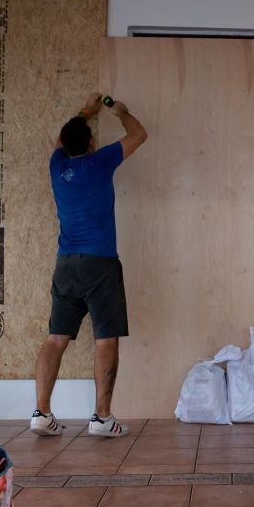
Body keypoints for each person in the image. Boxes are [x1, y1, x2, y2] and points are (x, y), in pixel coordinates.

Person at [30, 92, 147, 437]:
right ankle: (101, 419)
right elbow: (139, 134)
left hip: (66, 264)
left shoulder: (57, 164)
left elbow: (62, 139)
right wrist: (120, 112)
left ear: (65, 145)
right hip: (99, 264)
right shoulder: (100, 161)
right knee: (105, 340)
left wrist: (85, 111)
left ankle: (41, 413)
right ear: (92, 143)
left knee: (55, 339)